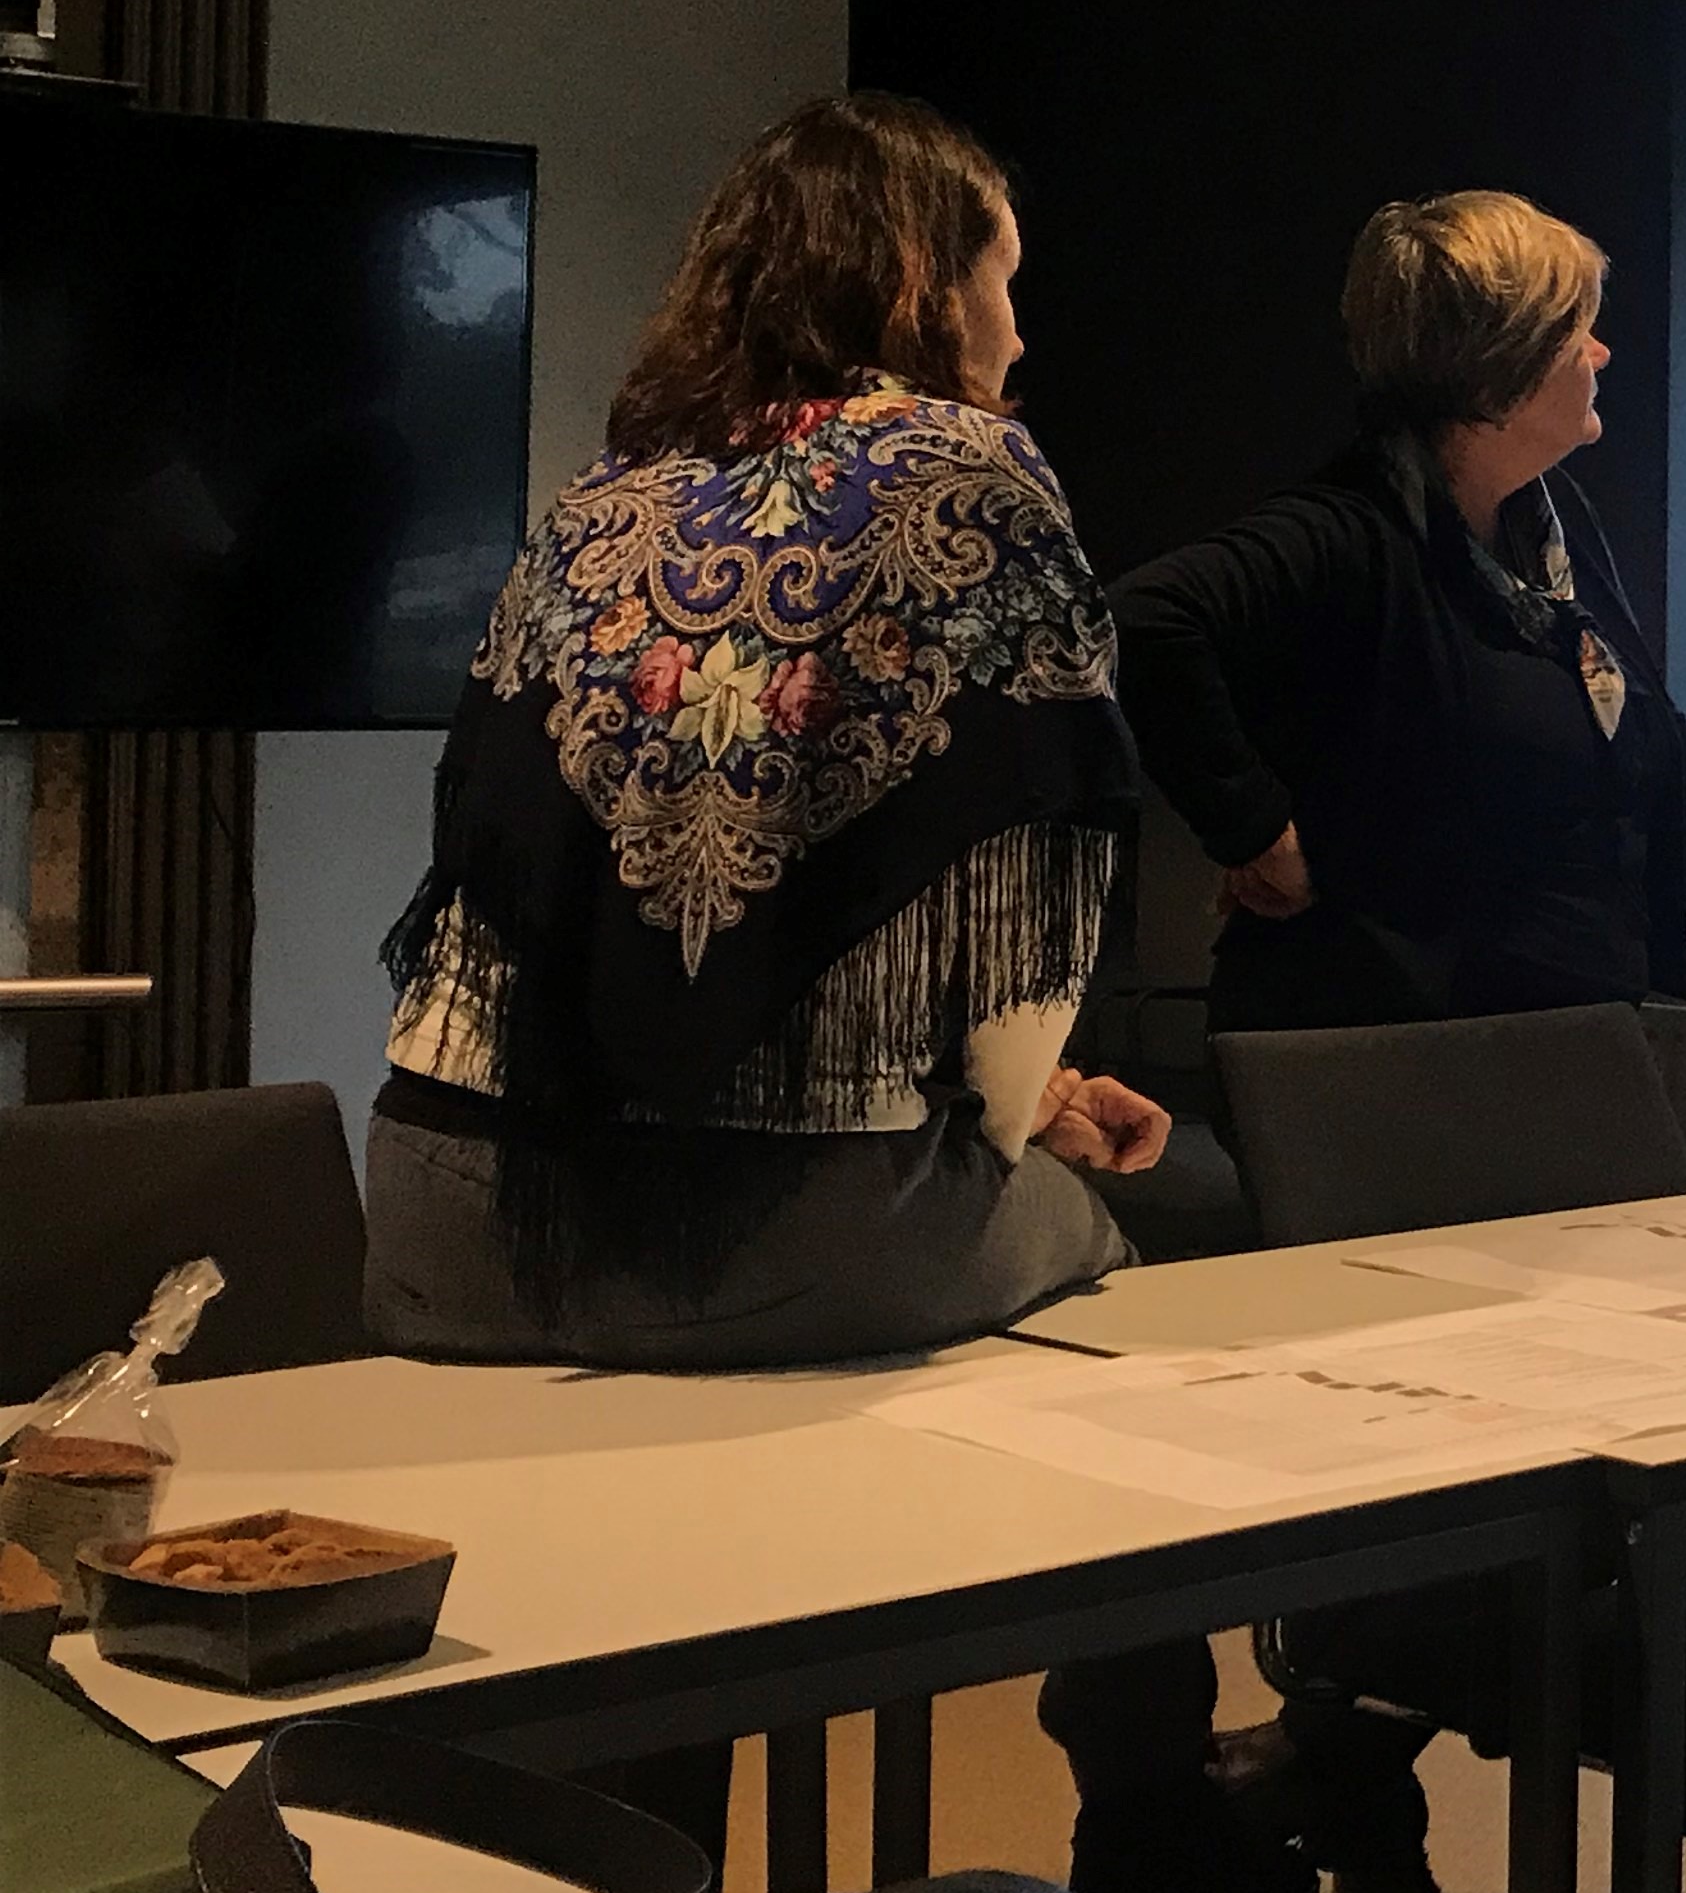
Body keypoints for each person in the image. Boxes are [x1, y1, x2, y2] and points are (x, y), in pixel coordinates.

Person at [1046, 189, 1686, 1893]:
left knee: (1542, 1522)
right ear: (1501, 365)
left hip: (1547, 1085)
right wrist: (1253, 824)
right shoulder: (1349, 536)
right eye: (1580, 326)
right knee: (1410, 1516)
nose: (1608, 352)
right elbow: (1140, 623)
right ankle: (1379, 1881)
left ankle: (1318, 1774)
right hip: (1381, 1098)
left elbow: (1661, 759)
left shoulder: (1549, 538)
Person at [364, 91, 1171, 1375]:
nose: (1017, 334)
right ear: (919, 279)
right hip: (747, 1233)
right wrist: (1026, 1107)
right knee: (1100, 1229)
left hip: (448, 1220)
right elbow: (1030, 862)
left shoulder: (609, 482)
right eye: (1005, 281)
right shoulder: (969, 467)